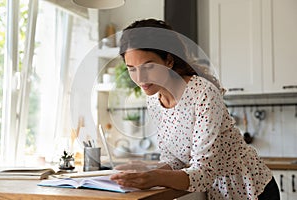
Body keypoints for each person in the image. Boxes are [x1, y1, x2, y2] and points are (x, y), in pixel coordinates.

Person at [110, 18, 280, 200]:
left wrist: (153, 177)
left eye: (149, 66)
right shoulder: (153, 99)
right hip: (216, 194)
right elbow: (174, 161)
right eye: (131, 69)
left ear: (169, 60)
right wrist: (145, 171)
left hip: (250, 190)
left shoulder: (203, 93)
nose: (140, 78)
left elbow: (204, 172)